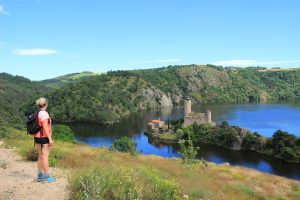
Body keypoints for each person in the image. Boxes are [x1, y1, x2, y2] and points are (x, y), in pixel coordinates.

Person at [34, 97, 56, 182]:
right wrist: (50, 139)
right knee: (45, 156)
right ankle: (46, 177)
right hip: (44, 137)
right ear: (46, 104)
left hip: (37, 137)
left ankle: (40, 175)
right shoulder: (44, 114)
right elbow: (45, 127)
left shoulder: (37, 113)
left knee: (40, 155)